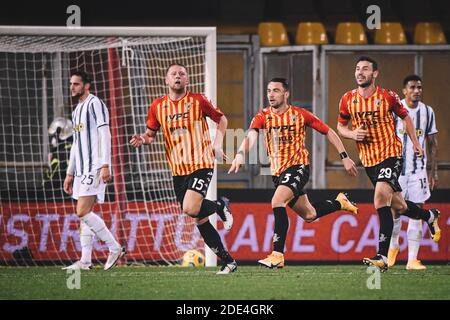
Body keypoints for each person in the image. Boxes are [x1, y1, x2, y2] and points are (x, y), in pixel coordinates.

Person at [228, 78, 359, 269]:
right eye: (268, 91)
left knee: (276, 201)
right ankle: (340, 202)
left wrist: (344, 156)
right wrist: (240, 154)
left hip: (298, 167)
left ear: (286, 94)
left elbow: (329, 131)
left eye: (275, 91)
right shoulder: (262, 116)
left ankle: (277, 254)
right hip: (278, 173)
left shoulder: (300, 115)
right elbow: (251, 135)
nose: (271, 95)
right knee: (310, 215)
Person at [130, 63, 236, 274]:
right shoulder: (157, 106)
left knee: (189, 208)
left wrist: (217, 143)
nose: (177, 76)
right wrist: (142, 139)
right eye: (173, 74)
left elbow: (221, 119)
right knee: (198, 217)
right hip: (178, 170)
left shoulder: (198, 101)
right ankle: (228, 261)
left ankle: (219, 205)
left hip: (201, 163)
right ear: (166, 81)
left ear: (187, 80)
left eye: (182, 74)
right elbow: (151, 135)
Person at [337, 57, 441, 272]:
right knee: (400, 206)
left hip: (391, 154)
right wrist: (352, 133)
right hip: (369, 161)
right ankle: (429, 216)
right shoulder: (347, 99)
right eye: (357, 69)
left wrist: (414, 142)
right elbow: (340, 127)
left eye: (365, 69)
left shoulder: (387, 96)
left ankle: (382, 256)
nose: (360, 72)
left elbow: (406, 118)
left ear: (375, 73)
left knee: (379, 198)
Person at [63, 70, 125, 270]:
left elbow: (104, 134)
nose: (72, 87)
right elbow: (76, 143)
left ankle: (114, 247)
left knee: (82, 211)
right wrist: (70, 173)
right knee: (84, 214)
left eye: (76, 84)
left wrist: (105, 164)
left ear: (86, 86)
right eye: (71, 84)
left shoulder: (94, 104)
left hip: (94, 166)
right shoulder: (76, 110)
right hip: (80, 170)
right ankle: (85, 260)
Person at [388, 75, 439, 270]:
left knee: (417, 211)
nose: (417, 90)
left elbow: (433, 144)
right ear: (404, 90)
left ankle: (412, 260)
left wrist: (433, 172)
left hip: (418, 171)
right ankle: (393, 246)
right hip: (397, 170)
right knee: (394, 210)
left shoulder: (428, 111)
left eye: (419, 87)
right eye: (412, 87)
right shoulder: (395, 110)